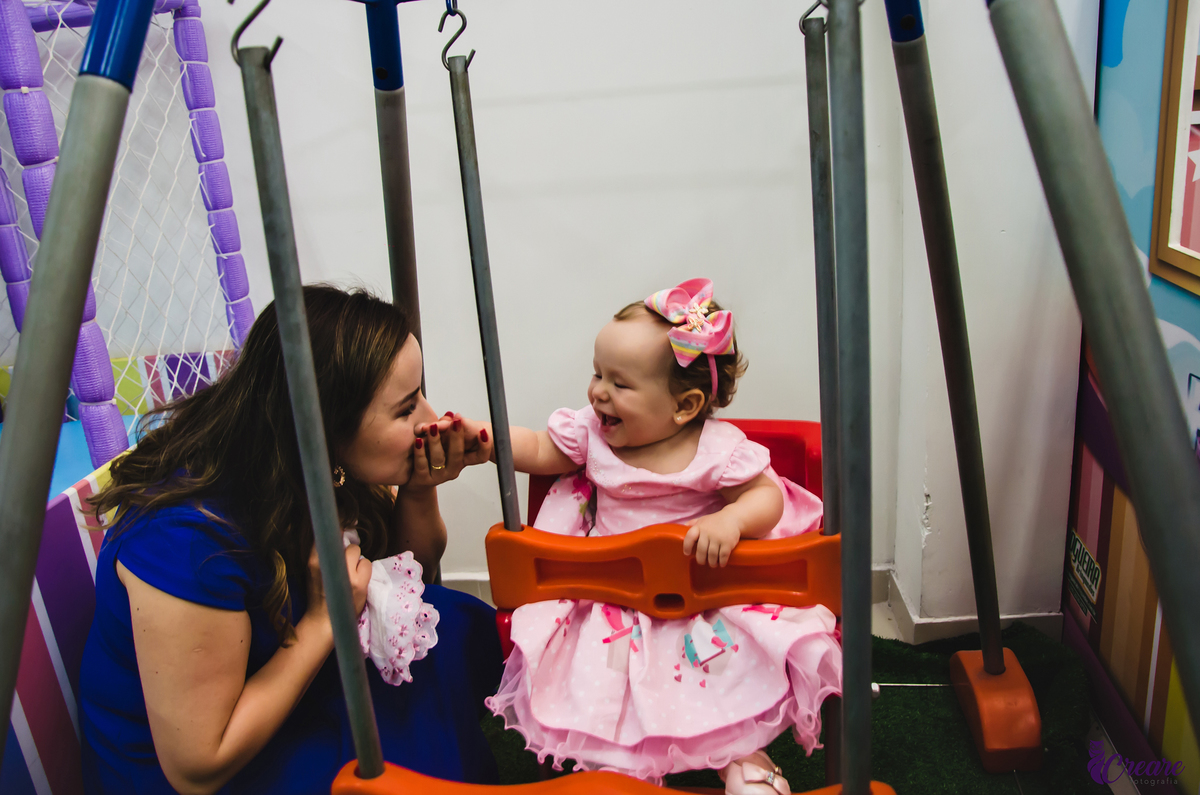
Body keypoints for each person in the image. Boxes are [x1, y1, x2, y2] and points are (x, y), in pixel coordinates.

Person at [78, 285, 501, 795]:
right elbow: (198, 767)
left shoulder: (316, 469)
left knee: (447, 625)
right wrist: (326, 620)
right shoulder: (185, 541)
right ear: (325, 423)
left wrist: (417, 490)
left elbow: (410, 578)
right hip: (216, 763)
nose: (431, 419)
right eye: (405, 407)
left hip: (285, 680)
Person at [479, 279, 842, 795]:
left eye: (620, 384)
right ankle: (619, 771)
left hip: (707, 602)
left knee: (724, 675)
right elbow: (538, 447)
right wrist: (489, 441)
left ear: (685, 405)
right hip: (614, 605)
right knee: (609, 686)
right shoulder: (591, 435)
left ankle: (742, 758)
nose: (598, 392)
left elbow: (769, 498)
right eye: (597, 373)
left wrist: (732, 521)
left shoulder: (719, 449)